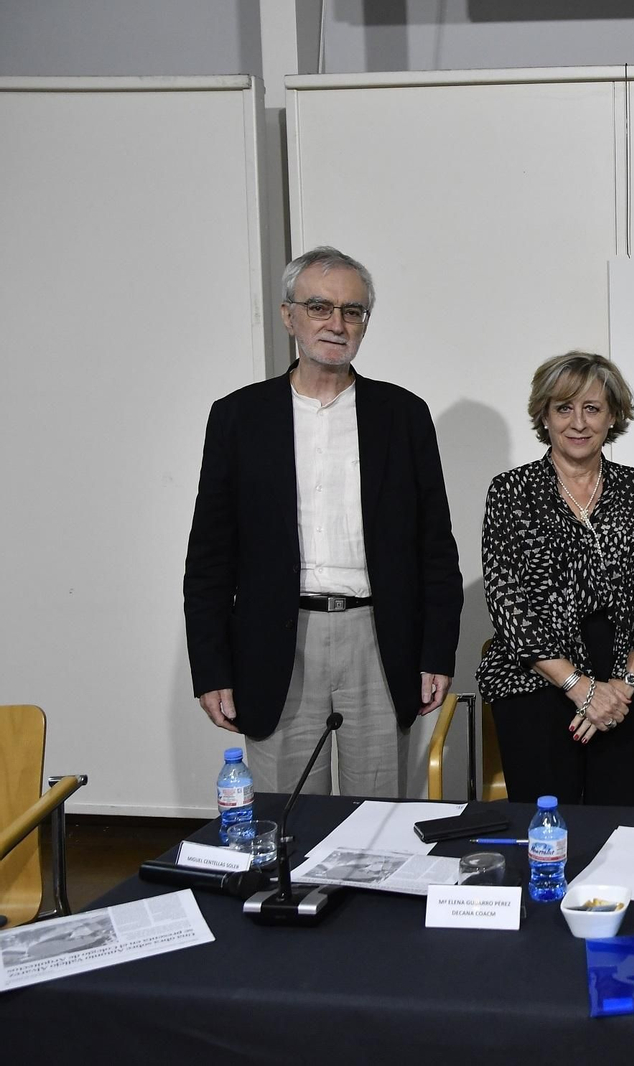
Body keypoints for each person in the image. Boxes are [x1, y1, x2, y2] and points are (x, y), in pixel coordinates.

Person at [183, 246, 462, 796]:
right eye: (319, 307)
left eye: (352, 311)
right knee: (285, 828)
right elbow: (210, 555)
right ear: (289, 316)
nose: (337, 324)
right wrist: (211, 667)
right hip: (276, 644)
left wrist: (437, 651)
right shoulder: (238, 416)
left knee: (376, 825)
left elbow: (435, 547)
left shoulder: (402, 415)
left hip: (379, 642)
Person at [476, 352, 634, 805]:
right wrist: (581, 688)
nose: (578, 422)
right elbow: (508, 603)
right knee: (549, 834)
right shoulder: (511, 491)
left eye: (592, 408)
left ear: (613, 416)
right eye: (564, 408)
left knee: (622, 831)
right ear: (544, 416)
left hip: (630, 688)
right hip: (536, 683)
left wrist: (620, 688)